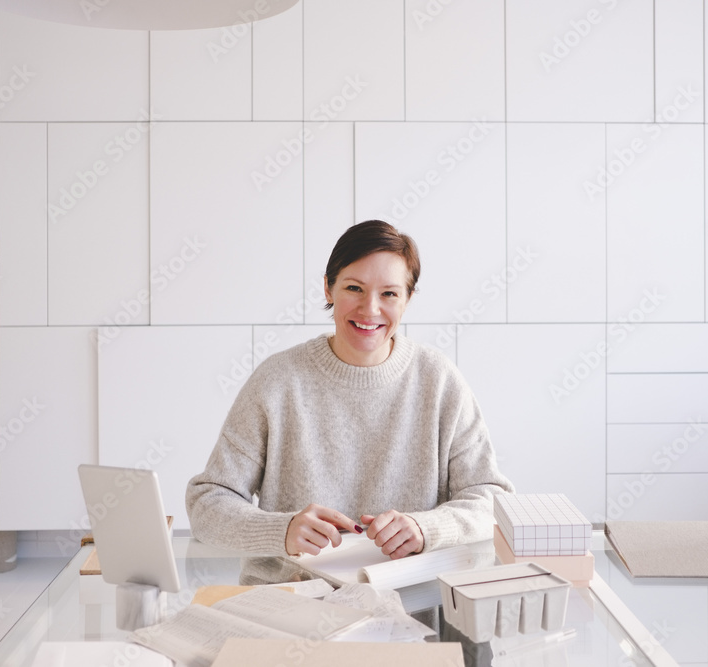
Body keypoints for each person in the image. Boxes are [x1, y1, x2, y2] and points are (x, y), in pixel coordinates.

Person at [185, 220, 513, 560]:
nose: (370, 309)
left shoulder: (439, 380)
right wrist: (281, 531)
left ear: (408, 299)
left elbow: (492, 498)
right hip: (292, 601)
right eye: (354, 288)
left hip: (411, 603)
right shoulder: (277, 380)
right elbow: (208, 504)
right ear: (328, 288)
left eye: (389, 293)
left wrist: (425, 528)